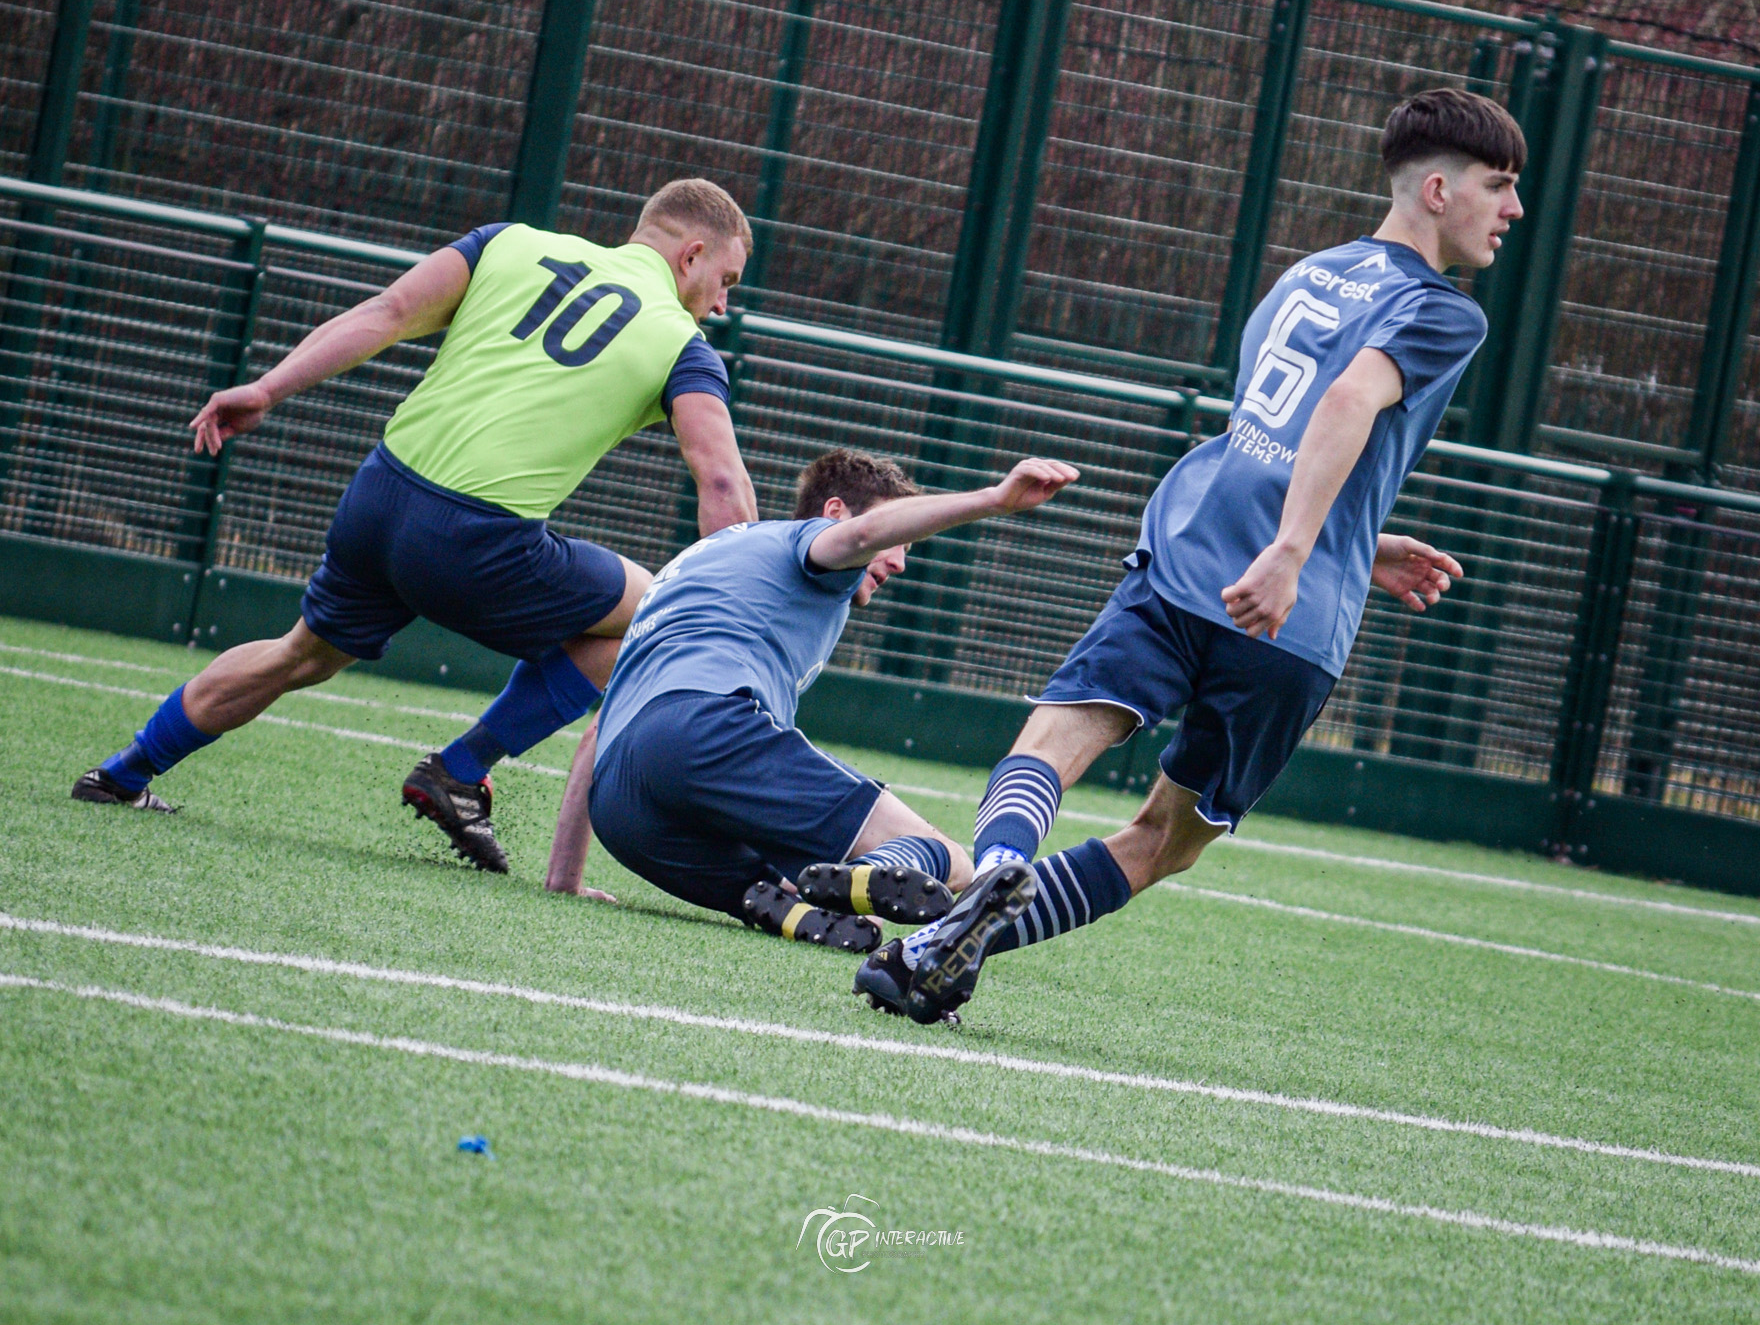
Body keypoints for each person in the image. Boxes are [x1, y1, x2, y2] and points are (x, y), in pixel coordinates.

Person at [857, 87, 1522, 1025]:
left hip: (1191, 556)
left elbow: (1273, 430)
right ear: (1443, 190)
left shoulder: (1307, 274)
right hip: (1289, 618)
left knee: (1061, 733)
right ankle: (942, 949)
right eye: (1501, 186)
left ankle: (999, 862)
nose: (1515, 209)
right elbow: (1340, 409)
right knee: (1165, 839)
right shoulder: (1444, 312)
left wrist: (1353, 538)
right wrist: (1299, 551)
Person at [70, 179, 759, 874]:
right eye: (725, 280)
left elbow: (388, 311)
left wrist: (269, 386)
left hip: (379, 496)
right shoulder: (684, 348)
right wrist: (744, 612)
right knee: (654, 616)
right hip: (474, 541)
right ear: (691, 255)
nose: (723, 304)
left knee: (301, 655)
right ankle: (462, 770)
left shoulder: (508, 243)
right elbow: (724, 482)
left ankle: (121, 775)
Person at [558, 446, 1078, 954]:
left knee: (791, 889)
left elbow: (595, 736)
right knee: (950, 860)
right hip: (704, 729)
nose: (898, 562)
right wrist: (993, 499)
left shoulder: (713, 563)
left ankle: (786, 903)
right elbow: (865, 533)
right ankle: (859, 876)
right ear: (833, 512)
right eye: (904, 535)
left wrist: (564, 881)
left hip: (621, 808)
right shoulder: (813, 544)